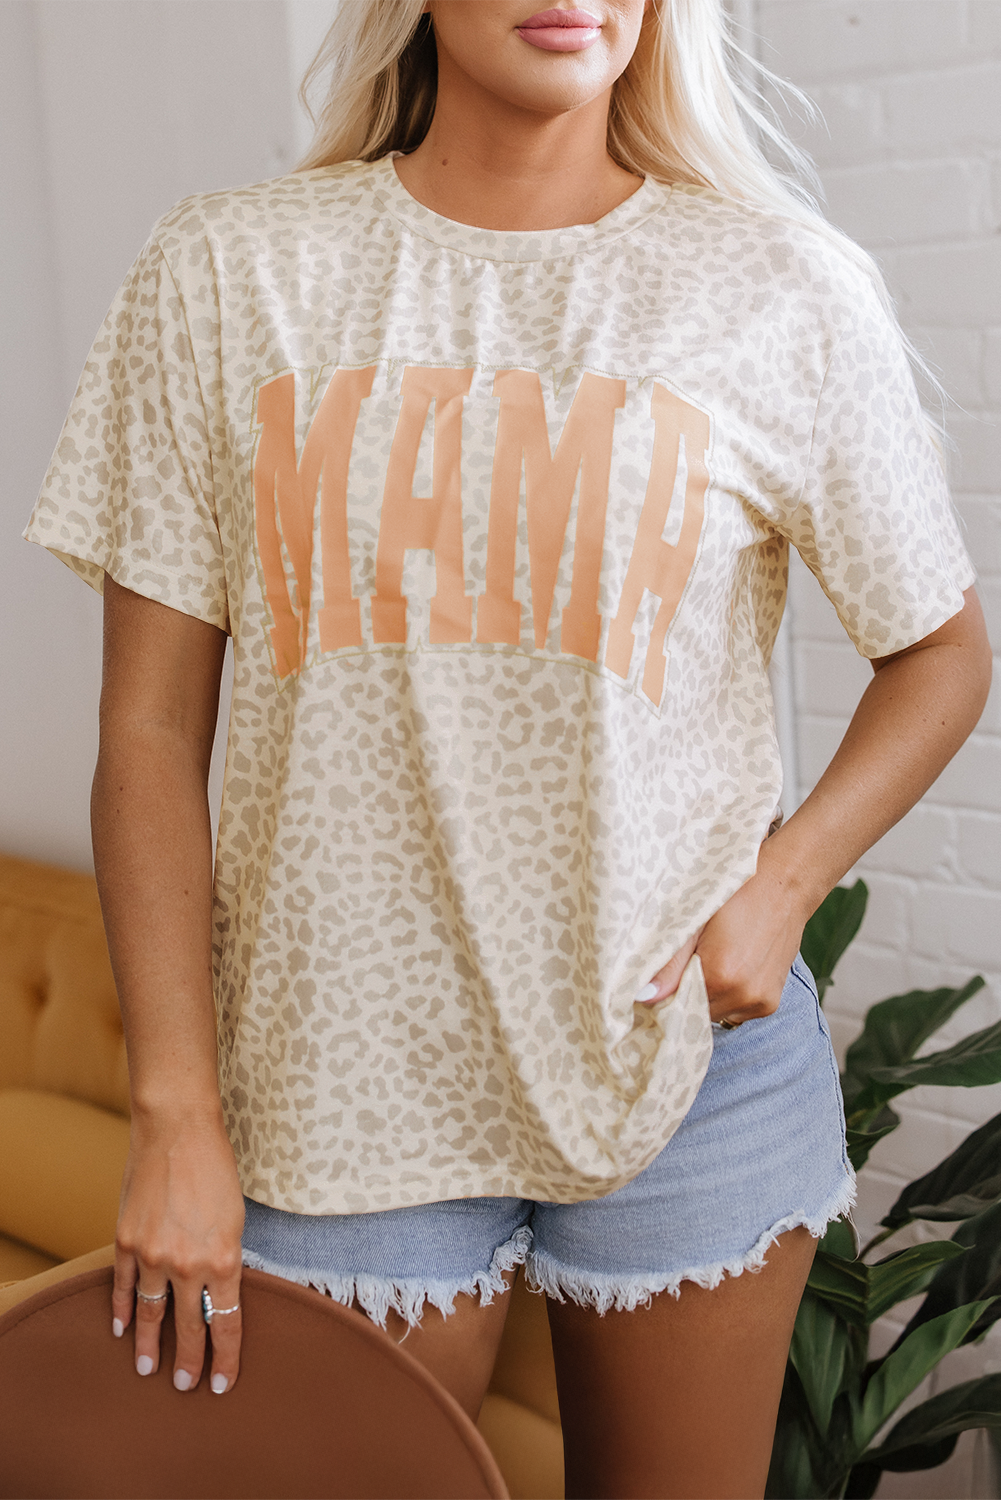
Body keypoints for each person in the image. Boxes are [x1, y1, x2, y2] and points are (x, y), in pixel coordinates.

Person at [25, 2, 991, 1495]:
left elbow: (940, 650)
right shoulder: (228, 271)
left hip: (690, 1067)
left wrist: (787, 884)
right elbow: (149, 732)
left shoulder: (777, 284)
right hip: (340, 1083)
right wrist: (174, 1115)